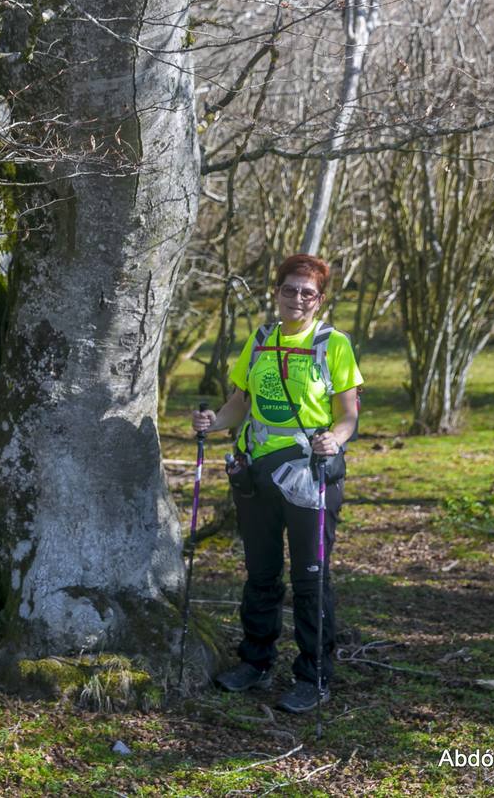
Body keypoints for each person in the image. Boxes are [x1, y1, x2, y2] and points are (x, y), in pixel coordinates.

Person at [190, 254, 362, 714]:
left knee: (311, 578)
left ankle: (314, 675)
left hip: (311, 476)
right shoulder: (262, 340)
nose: (298, 298)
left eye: (308, 293)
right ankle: (256, 662)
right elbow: (238, 404)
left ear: (320, 300)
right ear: (277, 292)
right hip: (256, 475)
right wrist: (212, 421)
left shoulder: (333, 345)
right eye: (290, 289)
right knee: (261, 574)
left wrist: (336, 440)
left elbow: (348, 415)